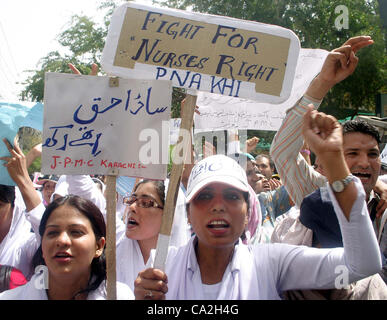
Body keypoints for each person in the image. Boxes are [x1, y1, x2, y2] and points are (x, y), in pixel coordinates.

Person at [133, 107, 382, 299]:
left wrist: (333, 160)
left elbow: (362, 264)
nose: (218, 206)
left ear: (248, 212)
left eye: (232, 196)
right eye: (205, 196)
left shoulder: (271, 263)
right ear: (187, 214)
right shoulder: (162, 266)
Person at [270, 35, 386, 284]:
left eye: (372, 154)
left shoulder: (383, 204)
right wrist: (322, 83)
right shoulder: (319, 192)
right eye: (352, 154)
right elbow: (282, 152)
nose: (365, 163)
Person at [0, 195, 133, 300]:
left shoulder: (121, 296)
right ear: (42, 247)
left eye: (76, 232)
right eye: (52, 233)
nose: (62, 241)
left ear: (99, 246)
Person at [116, 179, 190, 291]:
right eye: (132, 200)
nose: (131, 207)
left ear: (170, 215)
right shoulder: (115, 243)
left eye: (145, 203)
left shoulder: (184, 268)